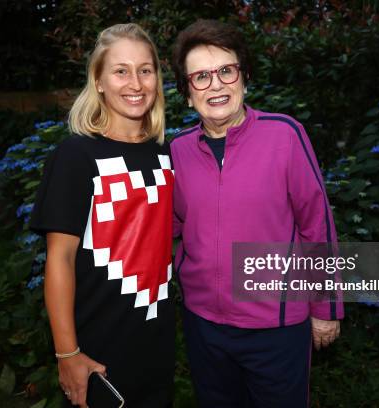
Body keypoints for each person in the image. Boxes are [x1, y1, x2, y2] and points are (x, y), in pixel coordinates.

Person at [170, 20, 343, 407]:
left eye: (225, 71)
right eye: (200, 77)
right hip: (204, 326)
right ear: (186, 93)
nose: (215, 85)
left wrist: (326, 306)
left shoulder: (285, 135)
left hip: (276, 328)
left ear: (243, 78)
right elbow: (169, 226)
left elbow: (317, 224)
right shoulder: (177, 151)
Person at [30, 23, 174, 408]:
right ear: (98, 80)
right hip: (98, 351)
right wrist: (67, 353)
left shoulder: (167, 153)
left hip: (158, 347)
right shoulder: (75, 158)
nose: (136, 83)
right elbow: (59, 258)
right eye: (121, 70)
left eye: (146, 70)